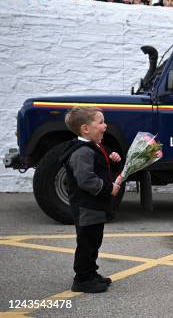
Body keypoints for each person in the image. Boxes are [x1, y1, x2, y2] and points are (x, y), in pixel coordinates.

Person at [60, 107, 122, 292]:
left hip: (94, 207)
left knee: (94, 241)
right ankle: (82, 279)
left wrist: (112, 159)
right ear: (86, 129)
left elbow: (99, 165)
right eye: (101, 122)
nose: (105, 125)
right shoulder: (81, 152)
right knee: (87, 243)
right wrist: (109, 188)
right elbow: (86, 179)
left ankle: (91, 273)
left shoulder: (92, 146)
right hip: (87, 207)